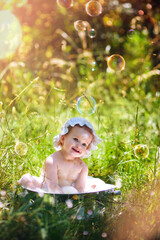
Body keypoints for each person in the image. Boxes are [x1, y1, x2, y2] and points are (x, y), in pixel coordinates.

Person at [19, 117, 102, 194]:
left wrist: (74, 198)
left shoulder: (82, 167)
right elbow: (52, 186)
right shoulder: (52, 161)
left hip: (69, 191)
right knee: (26, 180)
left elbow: (80, 188)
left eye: (84, 144)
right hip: (48, 188)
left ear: (87, 148)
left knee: (96, 185)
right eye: (76, 139)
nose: (79, 146)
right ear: (63, 138)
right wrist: (62, 199)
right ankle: (36, 194)